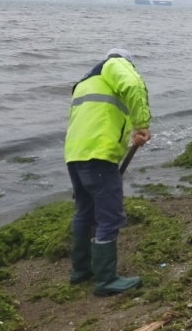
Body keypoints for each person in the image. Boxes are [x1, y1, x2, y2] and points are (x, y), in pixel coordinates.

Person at [64, 48, 151, 296]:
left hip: (75, 153)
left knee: (84, 211)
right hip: (99, 154)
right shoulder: (115, 64)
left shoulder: (85, 82)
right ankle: (105, 280)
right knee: (109, 217)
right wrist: (142, 124)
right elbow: (134, 84)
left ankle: (81, 271)